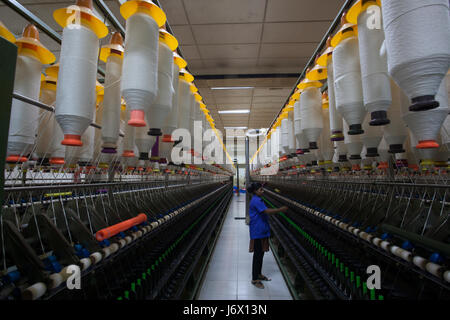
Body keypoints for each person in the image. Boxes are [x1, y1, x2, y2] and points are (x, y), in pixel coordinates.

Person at [247, 182, 288, 289]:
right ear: (255, 191)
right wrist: (280, 210)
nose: (263, 191)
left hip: (262, 230)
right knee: (257, 255)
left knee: (261, 254)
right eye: (260, 190)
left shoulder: (259, 199)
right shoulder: (256, 201)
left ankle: (259, 274)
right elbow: (266, 211)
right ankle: (255, 279)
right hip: (257, 231)